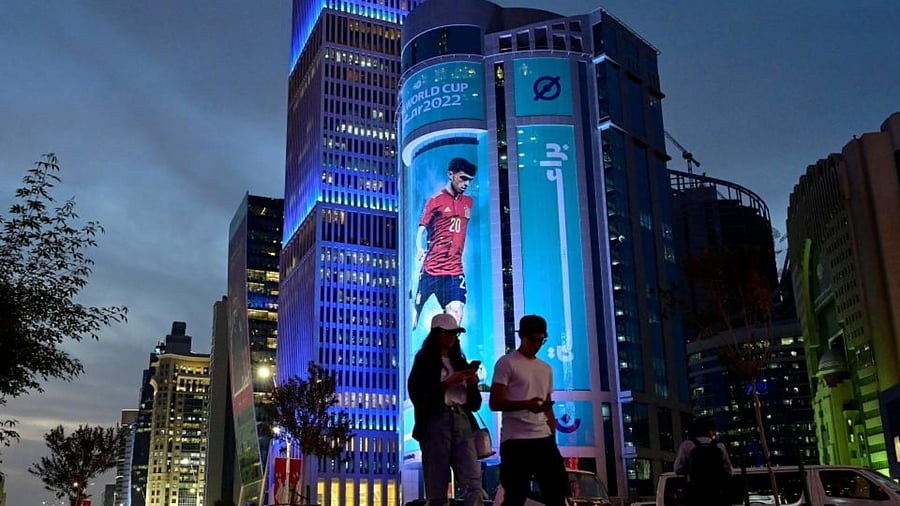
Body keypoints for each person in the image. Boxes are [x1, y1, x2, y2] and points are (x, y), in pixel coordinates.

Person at [489, 315, 568, 506]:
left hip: (543, 438)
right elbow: (495, 402)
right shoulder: (506, 363)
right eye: (533, 339)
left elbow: (548, 406)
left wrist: (552, 437)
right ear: (522, 337)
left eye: (541, 340)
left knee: (557, 490)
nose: (537, 344)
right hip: (515, 439)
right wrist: (526, 404)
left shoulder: (546, 368)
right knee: (516, 494)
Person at [408, 313, 484, 506]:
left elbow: (474, 404)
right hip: (436, 420)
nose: (451, 338)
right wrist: (447, 383)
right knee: (437, 486)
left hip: (462, 419)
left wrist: (472, 383)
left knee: (474, 482)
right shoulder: (424, 361)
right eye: (447, 333)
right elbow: (418, 394)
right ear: (436, 334)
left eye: (454, 334)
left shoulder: (459, 361)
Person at [412, 157, 477, 330]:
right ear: (451, 175)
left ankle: (449, 353)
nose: (466, 184)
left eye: (470, 180)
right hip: (431, 269)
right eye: (463, 178)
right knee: (413, 321)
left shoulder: (468, 202)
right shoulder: (435, 200)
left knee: (456, 314)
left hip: (454, 271)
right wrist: (419, 247)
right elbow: (421, 228)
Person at [674, 416, 734, 506]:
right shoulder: (719, 446)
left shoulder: (687, 445)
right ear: (710, 430)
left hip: (696, 493)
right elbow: (729, 470)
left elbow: (678, 469)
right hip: (716, 493)